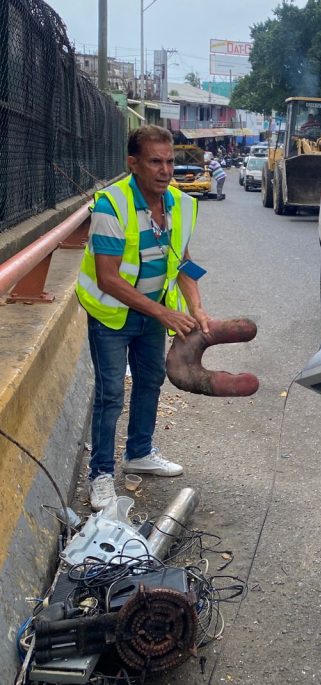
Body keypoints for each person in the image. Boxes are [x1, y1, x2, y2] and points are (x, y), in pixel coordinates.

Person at [76, 126, 211, 511]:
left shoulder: (180, 204)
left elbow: (184, 261)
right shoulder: (111, 206)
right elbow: (108, 277)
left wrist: (196, 305)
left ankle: (138, 452)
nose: (165, 170)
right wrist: (164, 312)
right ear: (132, 163)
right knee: (110, 394)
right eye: (155, 161)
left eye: (169, 161)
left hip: (151, 314)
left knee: (151, 379)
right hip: (112, 314)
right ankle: (100, 474)